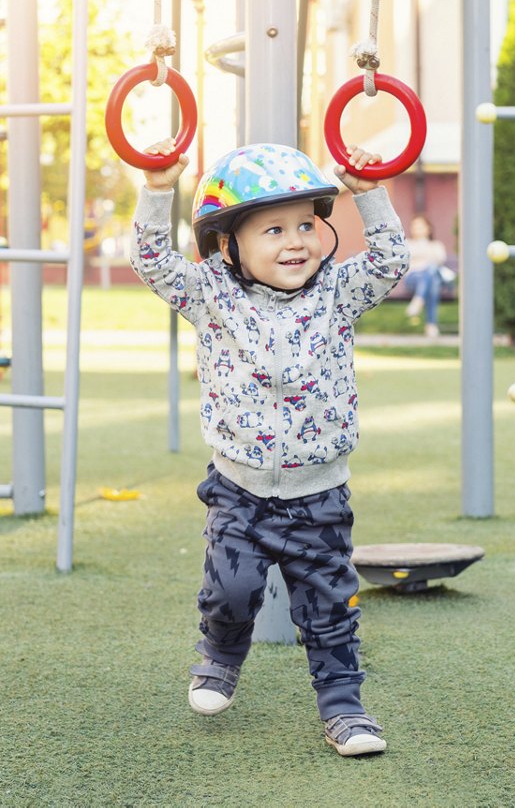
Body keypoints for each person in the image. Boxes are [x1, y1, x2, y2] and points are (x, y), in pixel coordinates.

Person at [129, 140, 409, 758]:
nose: (296, 241)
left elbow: (390, 261)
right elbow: (152, 260)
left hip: (320, 493)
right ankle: (222, 655)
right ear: (228, 244)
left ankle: (345, 708)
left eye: (307, 224)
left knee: (330, 605)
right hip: (240, 489)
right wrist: (157, 188)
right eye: (274, 229)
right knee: (230, 592)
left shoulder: (336, 292)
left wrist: (369, 194)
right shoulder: (211, 295)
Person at [402, 214, 449, 338]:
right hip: (413, 279)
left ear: (428, 228)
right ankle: (431, 325)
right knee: (431, 273)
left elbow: (441, 259)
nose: (418, 229)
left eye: (421, 226)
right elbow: (407, 259)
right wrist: (427, 258)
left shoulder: (436, 244)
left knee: (432, 275)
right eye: (415, 226)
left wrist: (422, 260)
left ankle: (419, 300)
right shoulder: (408, 244)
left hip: (431, 279)